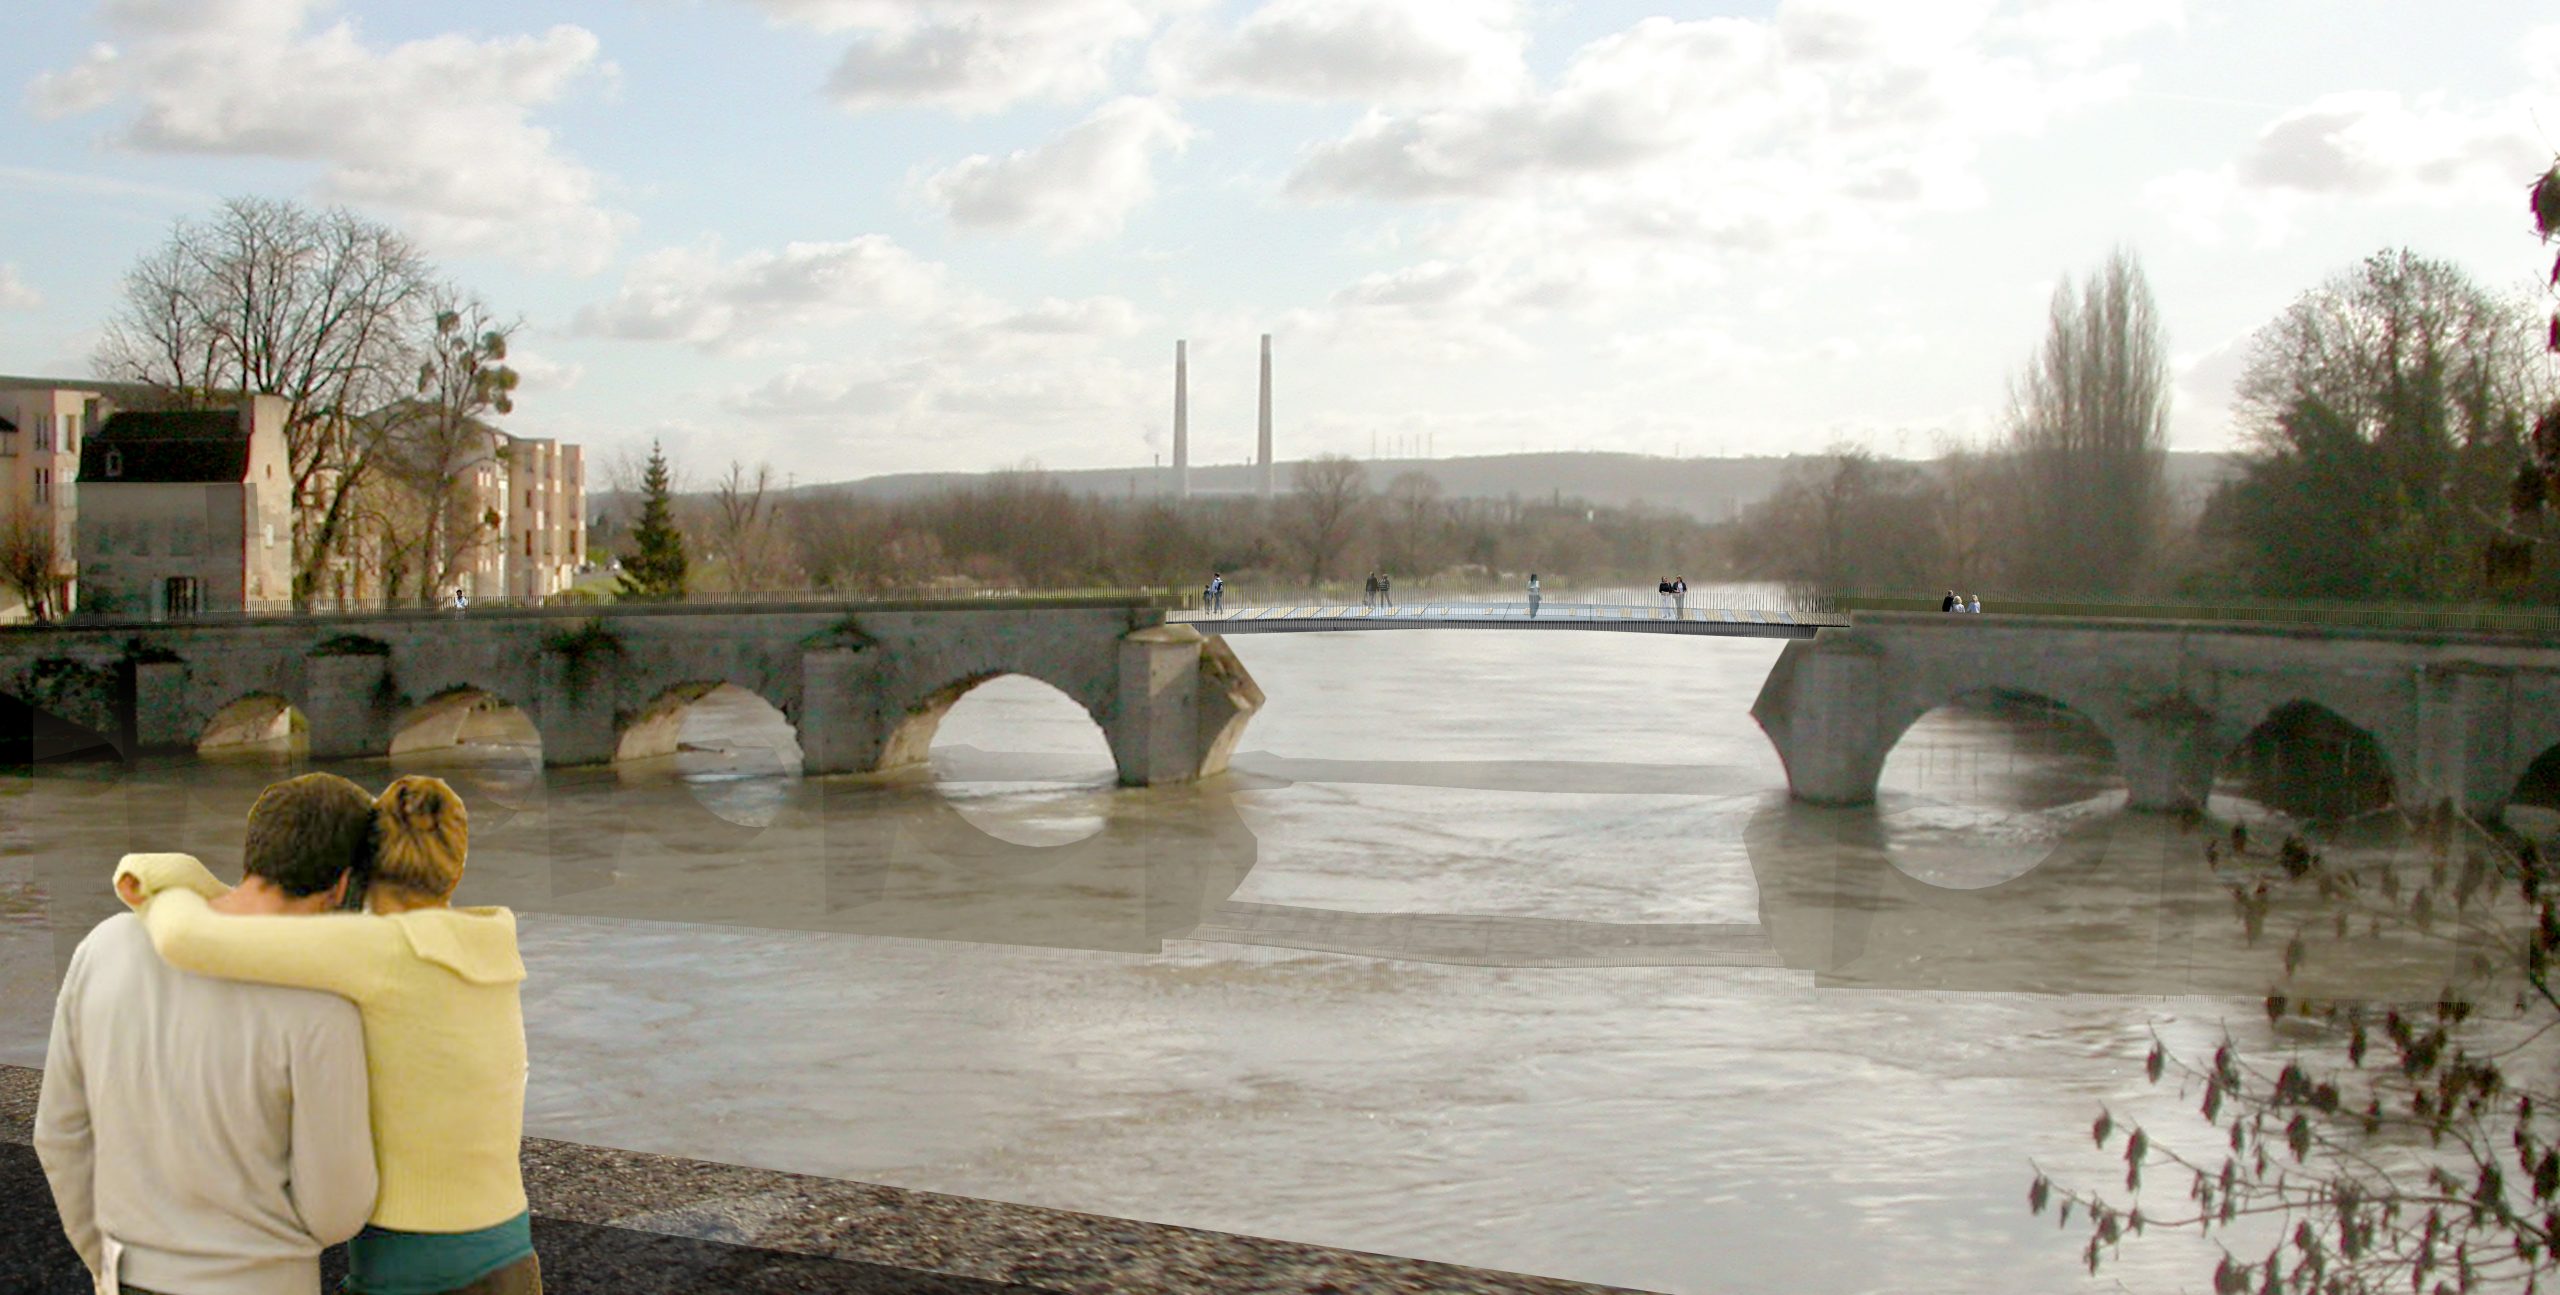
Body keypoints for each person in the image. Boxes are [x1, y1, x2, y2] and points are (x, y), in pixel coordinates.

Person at [115, 775, 542, 1295]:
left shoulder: (381, 949)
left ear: (362, 871)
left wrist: (169, 877)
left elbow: (189, 938)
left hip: (413, 1275)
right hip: (513, 1260)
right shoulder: (492, 938)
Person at [36, 773, 380, 1295]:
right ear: (340, 884)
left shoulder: (105, 946)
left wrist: (105, 1263)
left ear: (254, 853)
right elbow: (335, 1210)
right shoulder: (321, 1004)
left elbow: (59, 1136)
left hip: (130, 1276)